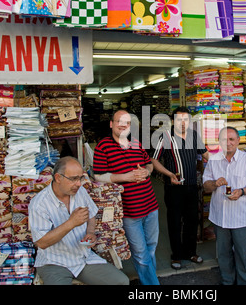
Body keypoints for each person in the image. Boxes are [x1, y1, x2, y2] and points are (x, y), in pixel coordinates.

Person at [28, 156, 129, 285]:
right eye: (74, 179)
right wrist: (71, 223)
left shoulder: (80, 192)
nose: (79, 183)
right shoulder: (39, 204)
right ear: (58, 178)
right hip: (53, 262)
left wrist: (91, 232)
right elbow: (41, 242)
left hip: (82, 258)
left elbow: (91, 213)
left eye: (80, 178)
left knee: (121, 282)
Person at [93, 109, 160, 285]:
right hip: (130, 211)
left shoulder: (136, 143)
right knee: (140, 253)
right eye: (119, 122)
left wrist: (146, 171)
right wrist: (125, 177)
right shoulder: (103, 147)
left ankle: (149, 279)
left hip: (151, 206)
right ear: (111, 124)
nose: (123, 125)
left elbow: (149, 163)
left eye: (127, 123)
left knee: (151, 249)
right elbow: (98, 176)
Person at [203, 127, 246, 285]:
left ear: (238, 141)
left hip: (241, 218)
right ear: (219, 141)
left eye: (231, 139)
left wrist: (242, 192)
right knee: (223, 254)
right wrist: (215, 184)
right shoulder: (213, 160)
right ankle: (227, 281)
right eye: (224, 139)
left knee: (243, 255)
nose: (228, 143)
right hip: (220, 217)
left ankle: (244, 282)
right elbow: (206, 186)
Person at [151, 107, 209, 270]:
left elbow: (205, 154)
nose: (182, 123)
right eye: (179, 120)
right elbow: (153, 160)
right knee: (175, 222)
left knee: (192, 221)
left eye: (185, 120)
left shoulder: (194, 136)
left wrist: (225, 161)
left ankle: (190, 253)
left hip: (192, 186)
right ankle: (176, 255)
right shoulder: (165, 136)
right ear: (173, 121)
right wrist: (169, 174)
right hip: (173, 188)